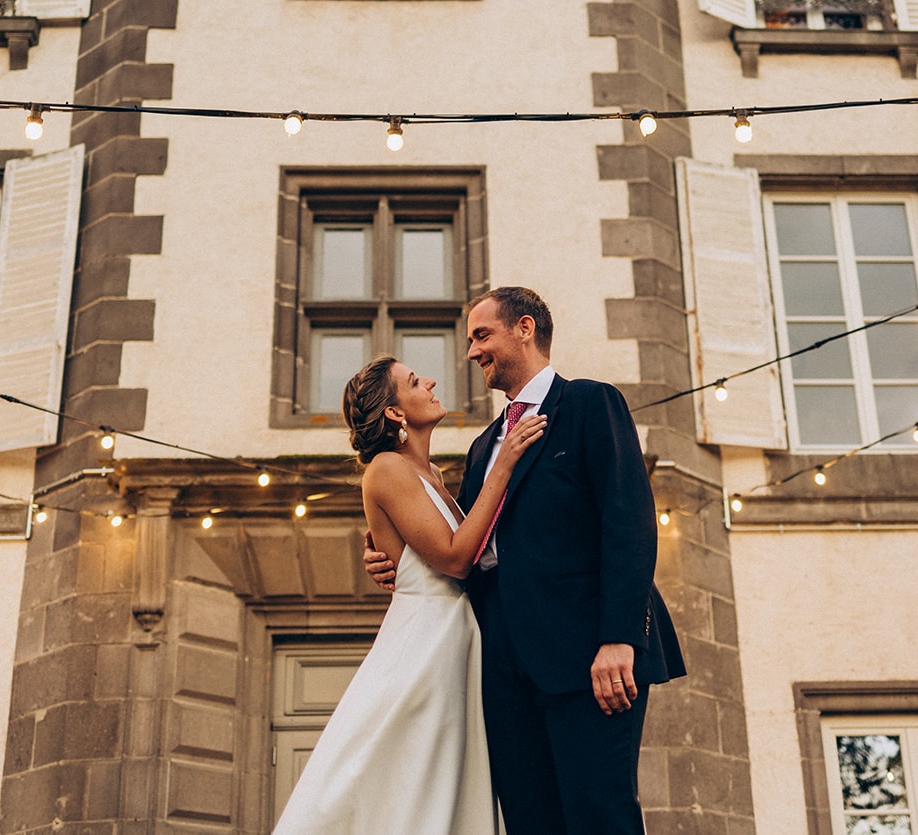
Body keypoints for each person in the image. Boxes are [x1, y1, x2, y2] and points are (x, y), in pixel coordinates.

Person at [364, 286, 686, 835]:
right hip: (504, 671)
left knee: (599, 817)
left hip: (589, 658)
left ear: (526, 329)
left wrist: (618, 639)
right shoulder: (484, 445)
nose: (471, 353)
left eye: (481, 335)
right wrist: (391, 554)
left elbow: (628, 523)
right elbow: (467, 545)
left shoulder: (589, 403)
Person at [273, 355, 546, 835]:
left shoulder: (433, 477)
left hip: (454, 639)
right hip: (424, 648)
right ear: (396, 412)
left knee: (444, 785)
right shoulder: (386, 468)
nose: (431, 381)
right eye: (415, 381)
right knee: (407, 782)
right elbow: (456, 557)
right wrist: (503, 467)